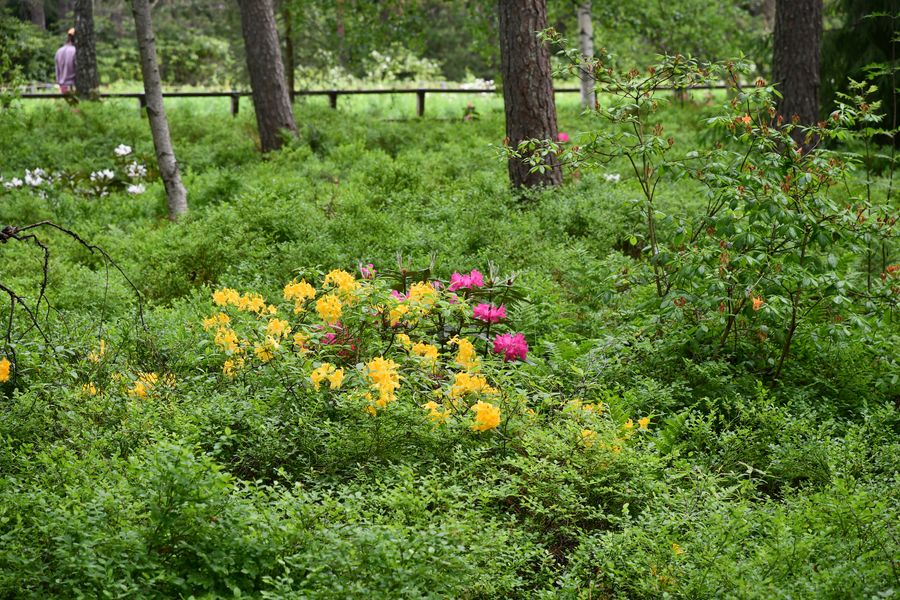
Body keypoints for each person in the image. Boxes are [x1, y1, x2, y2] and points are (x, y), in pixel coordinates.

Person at [55, 28, 77, 94]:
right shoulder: (76, 51)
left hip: (62, 87)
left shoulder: (59, 51)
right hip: (74, 86)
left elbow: (57, 71)